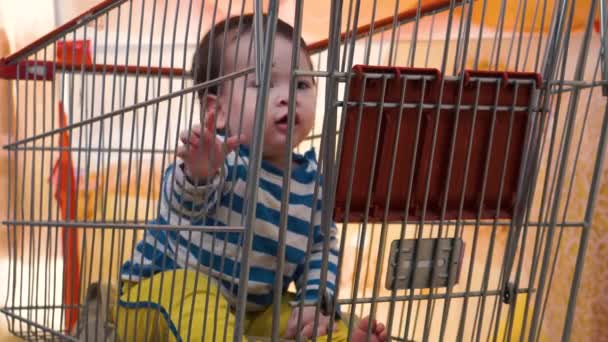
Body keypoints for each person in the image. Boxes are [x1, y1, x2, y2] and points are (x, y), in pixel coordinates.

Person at [115, 14, 387, 342]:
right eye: (263, 83)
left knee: (315, 318)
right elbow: (184, 202)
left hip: (248, 311)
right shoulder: (223, 161)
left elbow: (321, 248)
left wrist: (315, 304)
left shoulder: (314, 185)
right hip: (156, 295)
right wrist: (200, 173)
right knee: (195, 294)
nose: (288, 97)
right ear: (219, 110)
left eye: (301, 83)